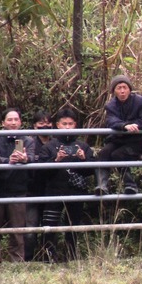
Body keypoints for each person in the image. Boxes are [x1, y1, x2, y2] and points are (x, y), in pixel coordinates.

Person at [37, 108, 96, 262]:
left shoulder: (82, 146)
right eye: (64, 124)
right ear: (57, 125)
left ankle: (72, 256)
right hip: (54, 191)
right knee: (50, 225)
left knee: (73, 225)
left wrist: (83, 160)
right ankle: (48, 257)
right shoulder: (49, 146)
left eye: (70, 124)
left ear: (75, 124)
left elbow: (91, 171)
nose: (67, 127)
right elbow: (40, 173)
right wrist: (56, 160)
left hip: (76, 191)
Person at [0, 107, 36, 263]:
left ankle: (17, 261)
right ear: (2, 123)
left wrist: (26, 159)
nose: (13, 123)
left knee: (17, 229)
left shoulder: (28, 140)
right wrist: (9, 161)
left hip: (18, 190)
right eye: (9, 119)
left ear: (21, 122)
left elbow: (32, 156)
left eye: (16, 119)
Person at [95, 73, 142, 196]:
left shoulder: (140, 101)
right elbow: (111, 121)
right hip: (119, 139)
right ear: (114, 91)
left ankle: (130, 185)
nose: (122, 91)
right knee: (103, 153)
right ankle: (102, 186)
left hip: (136, 141)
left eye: (124, 87)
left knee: (118, 154)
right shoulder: (111, 105)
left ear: (129, 89)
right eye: (119, 88)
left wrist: (133, 125)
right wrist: (124, 126)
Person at [25, 110, 54, 261]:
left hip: (51, 192)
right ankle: (28, 259)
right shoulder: (28, 143)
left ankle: (48, 259)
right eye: (41, 123)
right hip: (32, 192)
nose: (45, 126)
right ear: (34, 126)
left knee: (50, 229)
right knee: (30, 229)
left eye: (48, 123)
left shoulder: (57, 143)